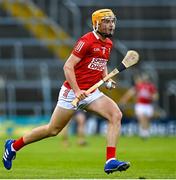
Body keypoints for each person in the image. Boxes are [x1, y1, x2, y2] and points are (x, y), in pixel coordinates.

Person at [3, 9, 130, 174]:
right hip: (72, 92)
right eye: (106, 21)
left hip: (92, 93)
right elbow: (68, 67)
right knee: (52, 130)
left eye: (112, 21)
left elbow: (101, 63)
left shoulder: (108, 43)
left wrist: (106, 79)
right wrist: (77, 91)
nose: (111, 24)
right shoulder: (86, 41)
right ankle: (13, 145)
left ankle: (110, 160)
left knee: (116, 115)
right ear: (97, 24)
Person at [120, 73, 159, 138]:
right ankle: (143, 132)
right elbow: (130, 93)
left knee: (146, 119)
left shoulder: (151, 87)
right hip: (140, 105)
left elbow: (155, 95)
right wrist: (124, 100)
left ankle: (146, 131)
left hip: (148, 105)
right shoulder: (139, 86)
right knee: (141, 118)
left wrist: (152, 97)